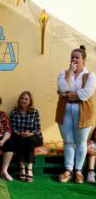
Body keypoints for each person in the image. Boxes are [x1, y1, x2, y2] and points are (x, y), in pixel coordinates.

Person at [56, 45, 96, 183]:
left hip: (83, 111)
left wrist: (68, 95)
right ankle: (68, 170)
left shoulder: (91, 76)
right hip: (65, 111)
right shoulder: (63, 73)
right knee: (68, 141)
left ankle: (78, 170)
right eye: (72, 57)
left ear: (83, 60)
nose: (74, 59)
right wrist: (69, 73)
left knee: (80, 142)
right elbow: (62, 89)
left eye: (77, 57)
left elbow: (85, 94)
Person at [9, 91, 43, 182]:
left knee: (29, 141)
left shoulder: (35, 112)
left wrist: (30, 134)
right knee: (20, 141)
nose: (23, 100)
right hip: (19, 135)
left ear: (30, 101)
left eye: (26, 99)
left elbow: (38, 128)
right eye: (21, 98)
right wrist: (20, 133)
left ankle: (29, 168)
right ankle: (22, 167)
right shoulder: (14, 112)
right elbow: (12, 128)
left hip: (34, 136)